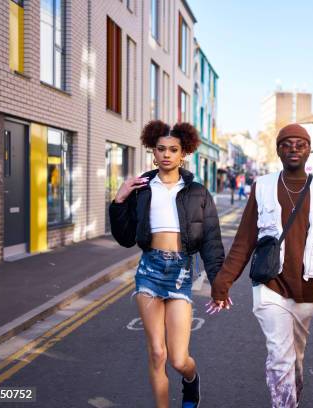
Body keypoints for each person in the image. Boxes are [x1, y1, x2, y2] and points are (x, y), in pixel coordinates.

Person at [208, 123, 313, 408]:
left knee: (295, 357)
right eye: (286, 144)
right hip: (269, 285)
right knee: (280, 356)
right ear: (278, 151)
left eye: (300, 144)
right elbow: (244, 240)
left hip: (308, 289)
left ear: (309, 150)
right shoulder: (261, 187)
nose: (293, 149)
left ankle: (291, 393)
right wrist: (222, 282)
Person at [109, 121, 225, 408]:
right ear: (153, 151)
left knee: (177, 358)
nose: (166, 155)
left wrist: (219, 284)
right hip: (149, 270)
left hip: (182, 271)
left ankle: (191, 380)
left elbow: (211, 240)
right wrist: (119, 199)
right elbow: (124, 238)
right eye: (161, 149)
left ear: (183, 153)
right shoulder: (142, 189)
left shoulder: (197, 192)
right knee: (157, 353)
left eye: (173, 150)